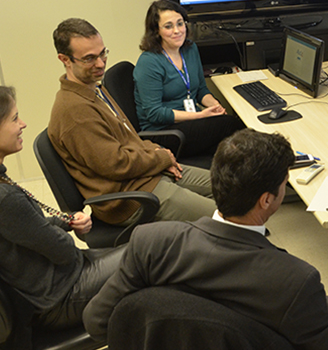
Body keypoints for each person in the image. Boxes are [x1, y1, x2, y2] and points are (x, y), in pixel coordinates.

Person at [83, 129, 328, 350]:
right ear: (267, 200)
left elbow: (96, 321)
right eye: (285, 184)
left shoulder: (151, 243)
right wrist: (325, 305)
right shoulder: (295, 280)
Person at [0, 85, 125, 329]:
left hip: (53, 285)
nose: (23, 124)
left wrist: (65, 220)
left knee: (156, 245)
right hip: (62, 296)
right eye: (14, 118)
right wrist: (60, 232)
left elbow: (27, 229)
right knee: (156, 248)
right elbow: (62, 251)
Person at [48, 18, 215, 227]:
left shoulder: (93, 89)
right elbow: (116, 164)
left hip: (147, 174)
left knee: (231, 189)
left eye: (102, 53)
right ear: (65, 59)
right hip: (132, 199)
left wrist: (158, 153)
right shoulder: (74, 111)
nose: (100, 64)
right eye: (89, 58)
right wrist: (160, 159)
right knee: (225, 218)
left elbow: (130, 138)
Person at [134, 0, 244, 159]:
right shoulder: (149, 62)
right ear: (156, 31)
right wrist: (201, 116)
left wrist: (215, 106)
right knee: (231, 126)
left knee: (231, 149)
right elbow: (154, 113)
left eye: (180, 23)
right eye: (168, 26)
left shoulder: (190, 48)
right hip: (165, 133)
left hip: (190, 123)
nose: (177, 31)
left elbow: (200, 89)